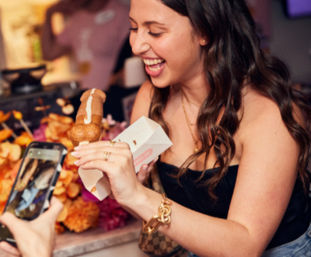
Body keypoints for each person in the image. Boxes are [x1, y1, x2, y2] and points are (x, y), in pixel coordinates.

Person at [71, 0, 311, 257]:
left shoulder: (268, 113)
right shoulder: (152, 98)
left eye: (155, 31)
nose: (137, 46)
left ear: (204, 31)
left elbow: (244, 246)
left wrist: (138, 196)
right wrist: (126, 186)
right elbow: (149, 209)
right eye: (133, 27)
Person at [41, 0, 130, 91]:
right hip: (88, 94)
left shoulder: (122, 13)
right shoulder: (77, 19)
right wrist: (49, 13)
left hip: (114, 94)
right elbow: (49, 53)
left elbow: (134, 58)